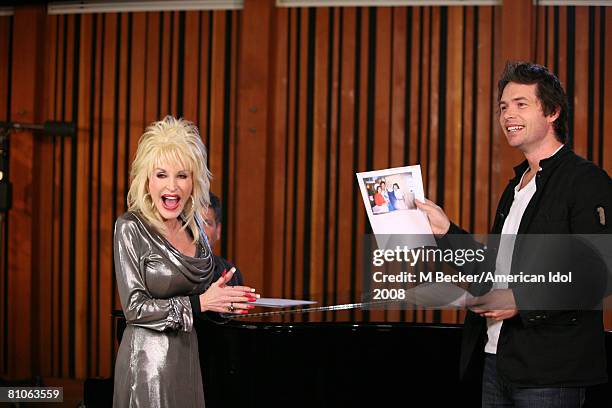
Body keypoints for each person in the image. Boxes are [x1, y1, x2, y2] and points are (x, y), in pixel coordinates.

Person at [416, 62, 611, 407]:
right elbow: (493, 272)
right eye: (503, 107)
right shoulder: (516, 188)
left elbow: (597, 274)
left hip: (550, 373)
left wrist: (521, 299)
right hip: (496, 362)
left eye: (521, 104)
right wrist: (446, 231)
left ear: (552, 112)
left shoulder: (585, 181)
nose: (508, 115)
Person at [112, 116, 259, 407]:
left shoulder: (194, 227)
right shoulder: (130, 227)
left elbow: (205, 291)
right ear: (146, 180)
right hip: (148, 367)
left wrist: (225, 299)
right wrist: (201, 303)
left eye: (182, 175)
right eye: (161, 174)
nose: (173, 186)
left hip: (191, 358)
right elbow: (135, 309)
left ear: (194, 181)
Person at [201, 191, 243, 286]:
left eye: (206, 223)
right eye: (193, 222)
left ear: (218, 231)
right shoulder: (169, 272)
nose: (200, 230)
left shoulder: (232, 273)